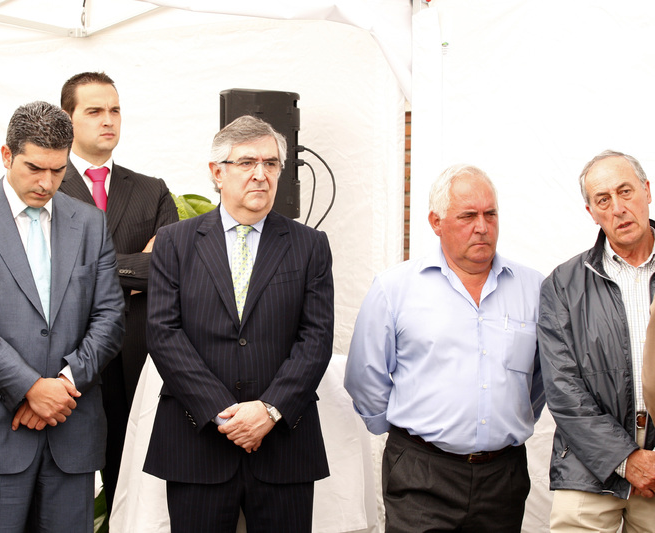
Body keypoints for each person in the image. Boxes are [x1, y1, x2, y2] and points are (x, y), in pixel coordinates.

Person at [0, 102, 125, 532]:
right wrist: (30, 388)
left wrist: (63, 386)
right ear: (6, 155)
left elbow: (110, 316)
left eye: (58, 170)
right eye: (34, 168)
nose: (46, 182)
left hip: (71, 428)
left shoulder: (90, 223)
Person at [143, 115, 334, 533]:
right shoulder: (175, 241)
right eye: (247, 162)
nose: (261, 174)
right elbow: (163, 333)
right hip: (197, 442)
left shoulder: (309, 245)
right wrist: (221, 412)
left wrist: (269, 410)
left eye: (271, 163)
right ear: (217, 173)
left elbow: (316, 339)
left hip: (283, 444)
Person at [345, 164, 544, 533]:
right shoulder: (395, 289)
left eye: (490, 214)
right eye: (468, 216)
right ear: (436, 222)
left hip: (503, 476)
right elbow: (364, 375)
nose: (482, 227)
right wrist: (405, 435)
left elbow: (540, 379)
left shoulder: (534, 289)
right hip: (422, 472)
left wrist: (506, 420)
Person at [57, 71, 177, 511]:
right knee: (63, 496)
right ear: (68, 119)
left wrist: (91, 266)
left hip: (135, 360)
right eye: (94, 111)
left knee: (133, 495)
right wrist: (133, 264)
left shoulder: (151, 190)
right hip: (64, 360)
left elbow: (168, 270)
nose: (108, 120)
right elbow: (47, 269)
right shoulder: (47, 186)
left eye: (115, 110)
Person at [538, 149, 655, 531]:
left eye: (625, 192)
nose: (618, 208)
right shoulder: (562, 285)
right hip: (587, 467)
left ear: (647, 190)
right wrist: (624, 458)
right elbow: (562, 389)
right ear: (591, 212)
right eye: (603, 200)